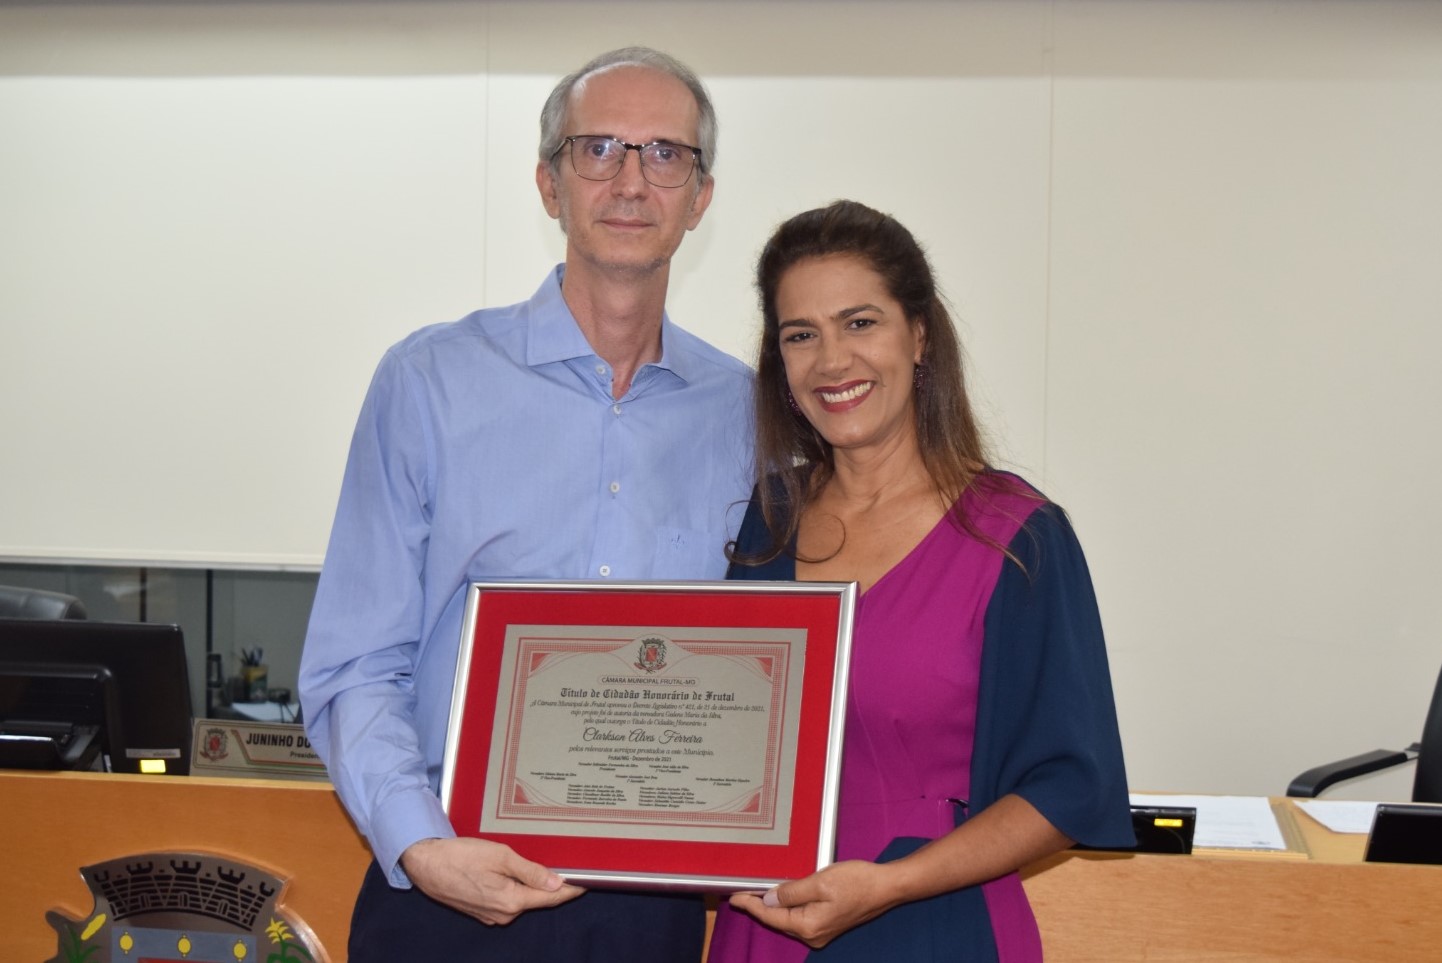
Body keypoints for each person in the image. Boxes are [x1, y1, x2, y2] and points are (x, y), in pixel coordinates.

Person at [297, 47, 753, 961]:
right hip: (440, 893)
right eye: (599, 150)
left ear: (700, 198)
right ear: (550, 183)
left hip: (650, 911)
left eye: (665, 154)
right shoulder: (430, 382)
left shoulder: (746, 413)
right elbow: (355, 663)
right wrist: (419, 843)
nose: (631, 180)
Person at [708, 200, 1132, 962]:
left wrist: (893, 884)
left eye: (860, 322)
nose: (831, 360)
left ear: (920, 334)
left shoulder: (1019, 537)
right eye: (800, 335)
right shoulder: (767, 521)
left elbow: (1069, 787)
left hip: (932, 921)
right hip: (767, 925)